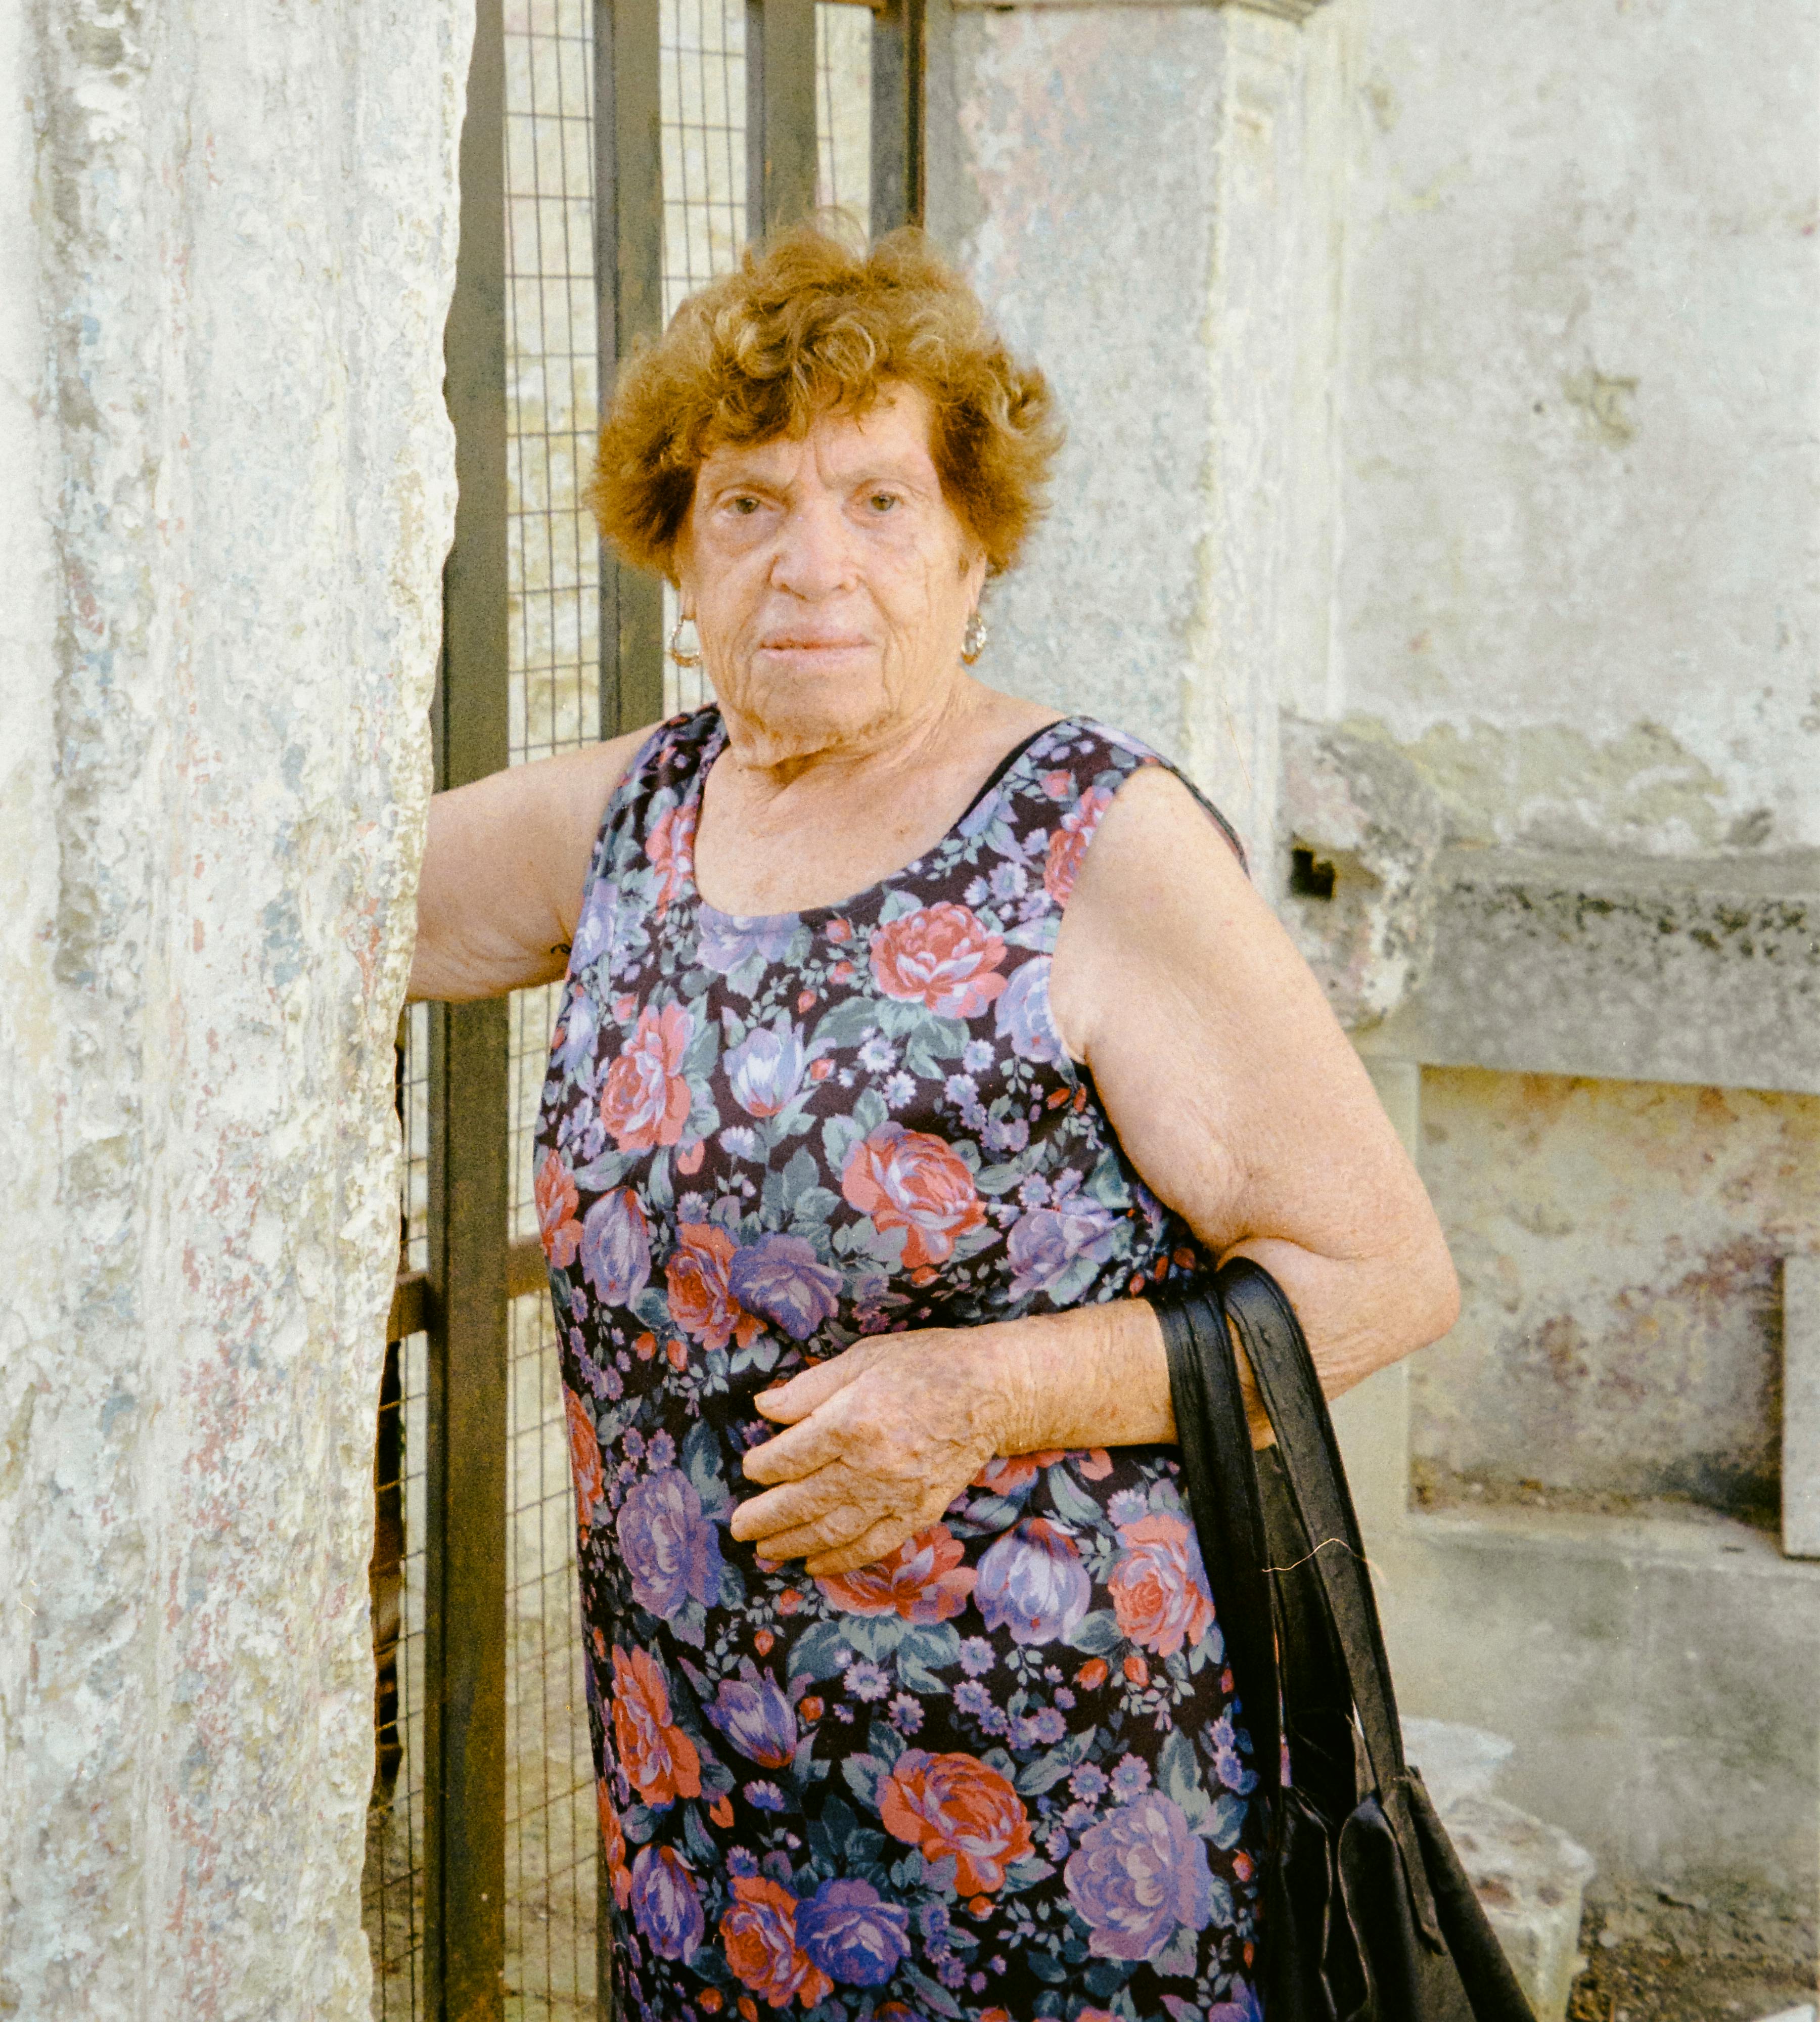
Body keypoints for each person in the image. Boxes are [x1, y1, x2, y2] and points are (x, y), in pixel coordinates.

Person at [411, 222, 1459, 2022]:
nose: (813, 563)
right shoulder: (636, 818)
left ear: (975, 548)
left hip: (1051, 1797)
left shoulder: (1097, 840)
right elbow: (303, 912)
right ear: (678, 552)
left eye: (880, 502)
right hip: (702, 1784)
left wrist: (987, 1392)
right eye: (750, 503)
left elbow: (1382, 1274)